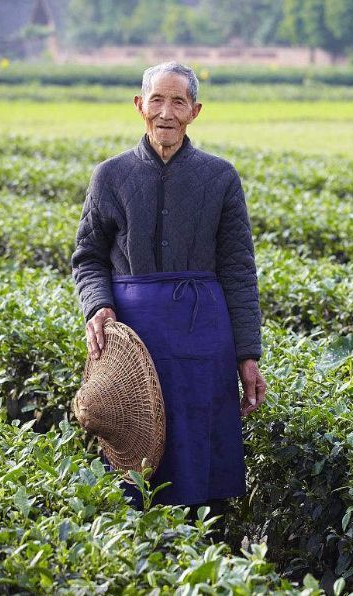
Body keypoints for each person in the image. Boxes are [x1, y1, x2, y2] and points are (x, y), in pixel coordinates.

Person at [71, 62, 265, 517]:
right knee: (132, 449)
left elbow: (239, 269)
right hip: (133, 340)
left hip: (203, 337)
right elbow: (88, 257)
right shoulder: (110, 176)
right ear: (139, 106)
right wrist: (97, 306)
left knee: (198, 450)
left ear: (195, 111)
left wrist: (248, 354)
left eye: (178, 101)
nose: (166, 112)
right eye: (157, 99)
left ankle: (205, 551)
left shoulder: (220, 178)